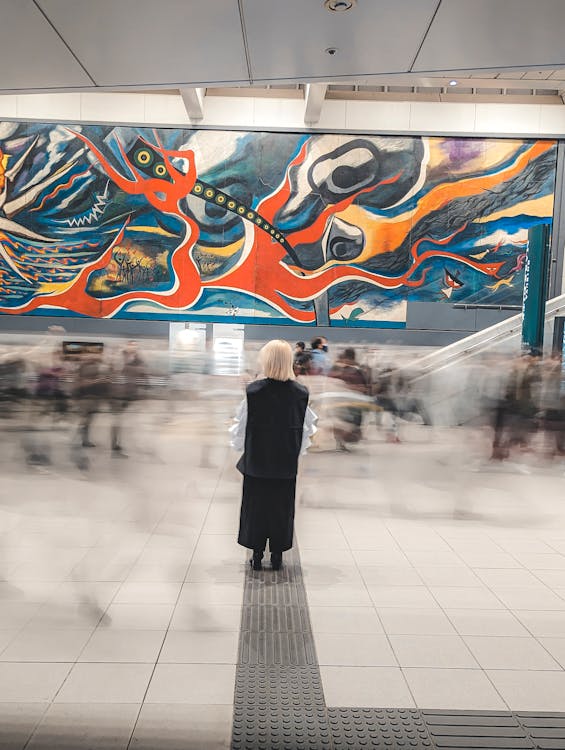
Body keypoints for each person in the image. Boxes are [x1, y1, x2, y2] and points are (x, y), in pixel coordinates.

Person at [230, 340, 316, 571]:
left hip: (257, 461)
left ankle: (256, 554)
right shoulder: (301, 393)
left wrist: (241, 449)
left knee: (255, 508)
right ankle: (277, 554)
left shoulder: (253, 391)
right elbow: (307, 429)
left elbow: (241, 427)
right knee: (281, 509)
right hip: (285, 463)